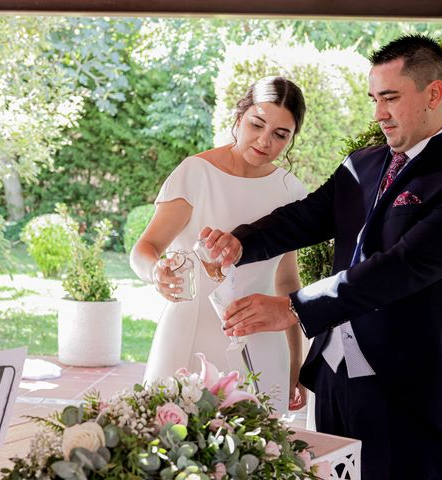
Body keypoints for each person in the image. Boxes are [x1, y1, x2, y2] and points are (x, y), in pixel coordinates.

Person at [202, 35, 442, 479]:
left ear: (433, 94)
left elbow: (401, 268)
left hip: (408, 387)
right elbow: (306, 217)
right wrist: (241, 242)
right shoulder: (362, 164)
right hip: (334, 375)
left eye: (390, 98)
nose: (378, 113)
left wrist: (292, 308)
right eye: (374, 98)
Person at [129, 76, 308, 413]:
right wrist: (156, 272)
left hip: (262, 339)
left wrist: (296, 365)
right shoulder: (196, 174)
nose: (264, 140)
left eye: (280, 134)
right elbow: (144, 248)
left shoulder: (290, 191)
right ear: (239, 118)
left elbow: (287, 283)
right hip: (191, 334)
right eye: (257, 124)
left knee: (259, 454)